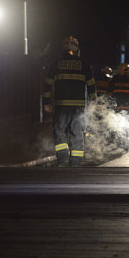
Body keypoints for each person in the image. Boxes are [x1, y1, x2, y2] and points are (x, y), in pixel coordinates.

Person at [43, 36, 96, 167]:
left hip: (61, 105)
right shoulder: (83, 64)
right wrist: (92, 101)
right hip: (78, 106)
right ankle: (76, 162)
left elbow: (47, 84)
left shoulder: (56, 63)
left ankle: (62, 159)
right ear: (77, 48)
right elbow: (91, 84)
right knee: (77, 132)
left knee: (59, 131)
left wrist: (46, 102)